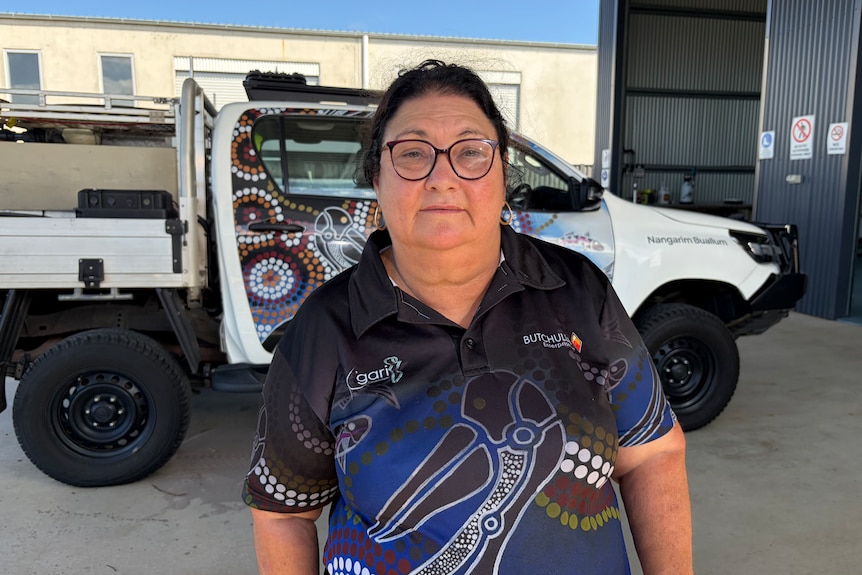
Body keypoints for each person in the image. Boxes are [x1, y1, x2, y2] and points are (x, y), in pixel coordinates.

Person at [242, 59, 693, 575]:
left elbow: (652, 453)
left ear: (503, 174)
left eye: (471, 152)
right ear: (376, 178)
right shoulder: (324, 328)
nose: (443, 178)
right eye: (413, 153)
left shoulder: (578, 291)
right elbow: (283, 513)